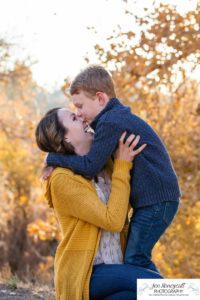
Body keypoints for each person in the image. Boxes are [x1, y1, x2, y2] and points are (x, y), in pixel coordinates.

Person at [45, 65, 181, 273]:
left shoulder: (110, 122)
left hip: (157, 200)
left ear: (100, 99)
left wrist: (53, 157)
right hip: (158, 200)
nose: (79, 114)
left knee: (136, 259)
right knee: (137, 259)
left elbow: (90, 166)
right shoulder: (113, 118)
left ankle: (178, 295)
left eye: (80, 106)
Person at [35, 107, 162, 300]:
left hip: (117, 265)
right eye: (73, 118)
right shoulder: (62, 179)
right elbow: (113, 221)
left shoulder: (105, 165)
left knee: (140, 296)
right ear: (66, 138)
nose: (81, 117)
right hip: (87, 272)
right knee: (159, 287)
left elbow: (122, 205)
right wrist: (122, 165)